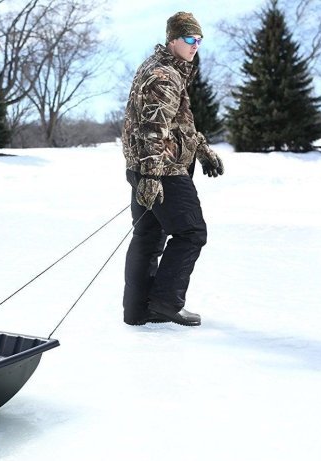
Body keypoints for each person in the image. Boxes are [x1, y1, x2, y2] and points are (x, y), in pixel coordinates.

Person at [121, 11, 224, 327]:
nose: (196, 45)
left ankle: (138, 311)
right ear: (173, 39)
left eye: (199, 40)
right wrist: (152, 176)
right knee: (191, 232)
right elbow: (155, 128)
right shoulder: (165, 75)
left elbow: (179, 123)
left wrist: (202, 151)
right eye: (190, 39)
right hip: (163, 169)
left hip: (147, 167)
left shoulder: (163, 69)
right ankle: (165, 303)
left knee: (149, 236)